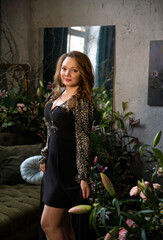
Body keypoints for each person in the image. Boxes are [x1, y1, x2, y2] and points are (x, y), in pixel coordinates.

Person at [39, 51, 94, 240]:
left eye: (74, 70)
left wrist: (83, 176)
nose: (67, 74)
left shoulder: (82, 102)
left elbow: (83, 139)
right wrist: (44, 156)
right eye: (64, 69)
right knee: (64, 224)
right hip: (53, 166)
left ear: (83, 73)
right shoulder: (57, 95)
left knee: (48, 224)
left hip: (67, 167)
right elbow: (50, 132)